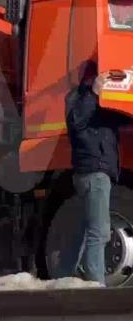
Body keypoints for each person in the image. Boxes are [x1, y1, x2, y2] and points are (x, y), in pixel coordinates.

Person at [62, 62, 130, 284]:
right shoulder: (78, 98)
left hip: (97, 173)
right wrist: (93, 93)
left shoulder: (100, 104)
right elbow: (76, 122)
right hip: (93, 173)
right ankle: (95, 286)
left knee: (84, 231)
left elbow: (123, 117)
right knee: (99, 232)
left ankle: (65, 279)